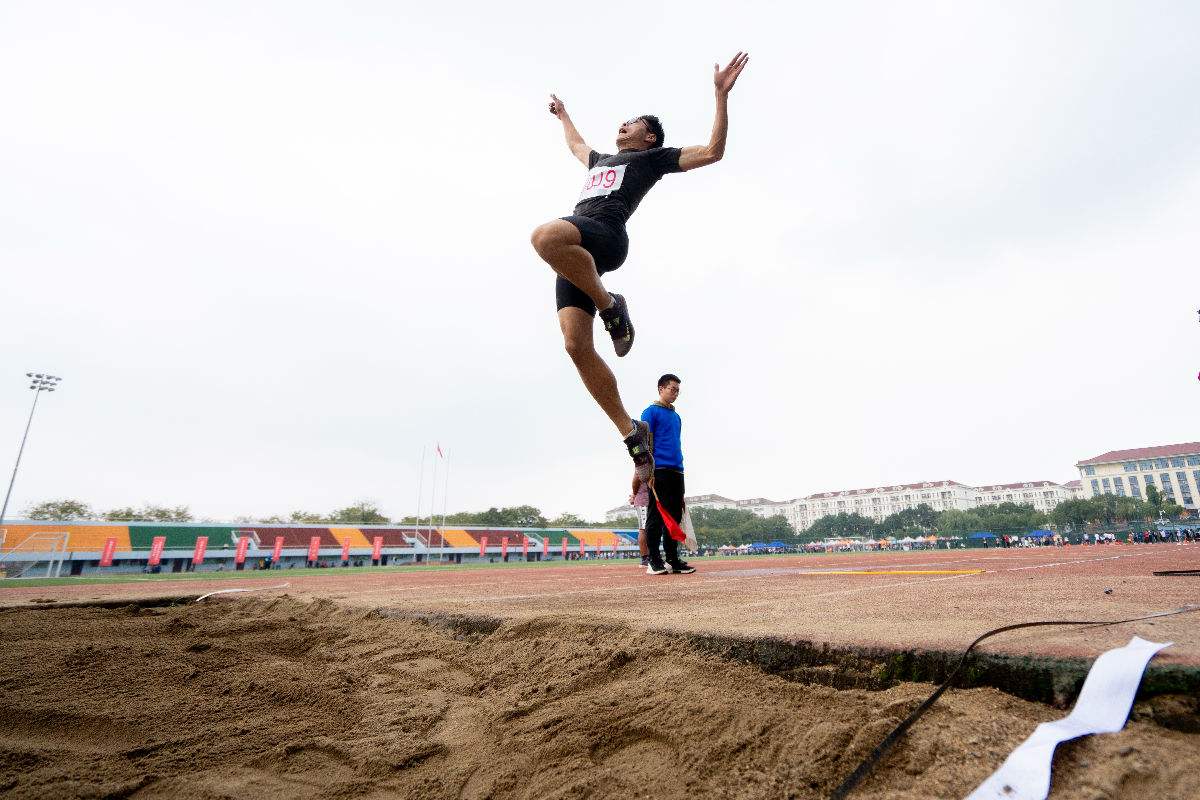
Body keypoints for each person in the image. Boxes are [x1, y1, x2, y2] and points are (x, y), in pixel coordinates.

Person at [531, 53, 749, 476]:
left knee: (544, 236)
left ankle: (611, 306)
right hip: (577, 259)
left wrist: (720, 96)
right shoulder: (599, 161)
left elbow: (712, 152)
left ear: (648, 138)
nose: (623, 125)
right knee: (576, 346)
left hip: (606, 238)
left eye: (633, 122)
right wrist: (564, 116)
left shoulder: (652, 159)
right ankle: (632, 433)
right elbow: (577, 145)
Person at [641, 374, 694, 575]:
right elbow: (645, 443)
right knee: (656, 516)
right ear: (661, 388)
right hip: (659, 470)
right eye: (672, 389)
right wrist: (648, 471)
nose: (676, 393)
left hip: (676, 470)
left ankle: (673, 559)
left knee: (675, 515)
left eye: (678, 390)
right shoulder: (650, 412)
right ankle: (653, 560)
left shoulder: (676, 416)